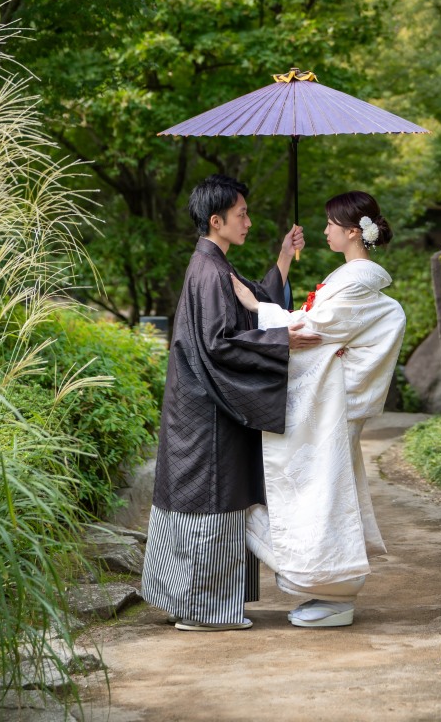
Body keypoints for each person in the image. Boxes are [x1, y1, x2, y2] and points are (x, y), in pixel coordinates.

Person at [141, 174, 320, 632]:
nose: (248, 221)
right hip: (207, 409)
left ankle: (189, 601)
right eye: (241, 215)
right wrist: (282, 340)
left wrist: (284, 257)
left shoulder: (215, 267)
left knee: (205, 498)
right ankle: (204, 610)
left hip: (202, 404)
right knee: (213, 498)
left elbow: (254, 303)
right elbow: (221, 344)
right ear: (216, 220)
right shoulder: (210, 271)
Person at [231, 190, 406, 630]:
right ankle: (328, 588)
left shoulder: (358, 280)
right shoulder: (349, 277)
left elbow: (313, 329)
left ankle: (335, 591)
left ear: (352, 232)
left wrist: (254, 306)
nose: (325, 230)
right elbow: (317, 329)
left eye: (331, 224)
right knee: (321, 490)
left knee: (323, 492)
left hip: (330, 404)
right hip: (327, 403)